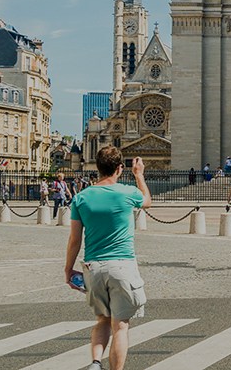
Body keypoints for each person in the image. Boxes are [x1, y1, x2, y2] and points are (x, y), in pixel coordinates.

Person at [65, 148, 151, 370]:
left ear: (97, 167)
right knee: (120, 326)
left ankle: (95, 362)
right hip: (122, 266)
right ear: (120, 168)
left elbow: (75, 240)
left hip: (93, 268)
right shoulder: (127, 192)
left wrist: (68, 269)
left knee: (102, 319)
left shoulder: (81, 197)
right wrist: (139, 174)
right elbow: (147, 201)